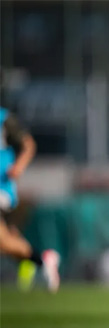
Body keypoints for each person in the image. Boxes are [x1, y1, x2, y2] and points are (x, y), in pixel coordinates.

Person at [0, 107, 60, 293]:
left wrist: (18, 167)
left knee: (4, 242)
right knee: (6, 243)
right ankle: (43, 259)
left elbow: (28, 145)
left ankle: (40, 260)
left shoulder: (4, 119)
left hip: (1, 187)